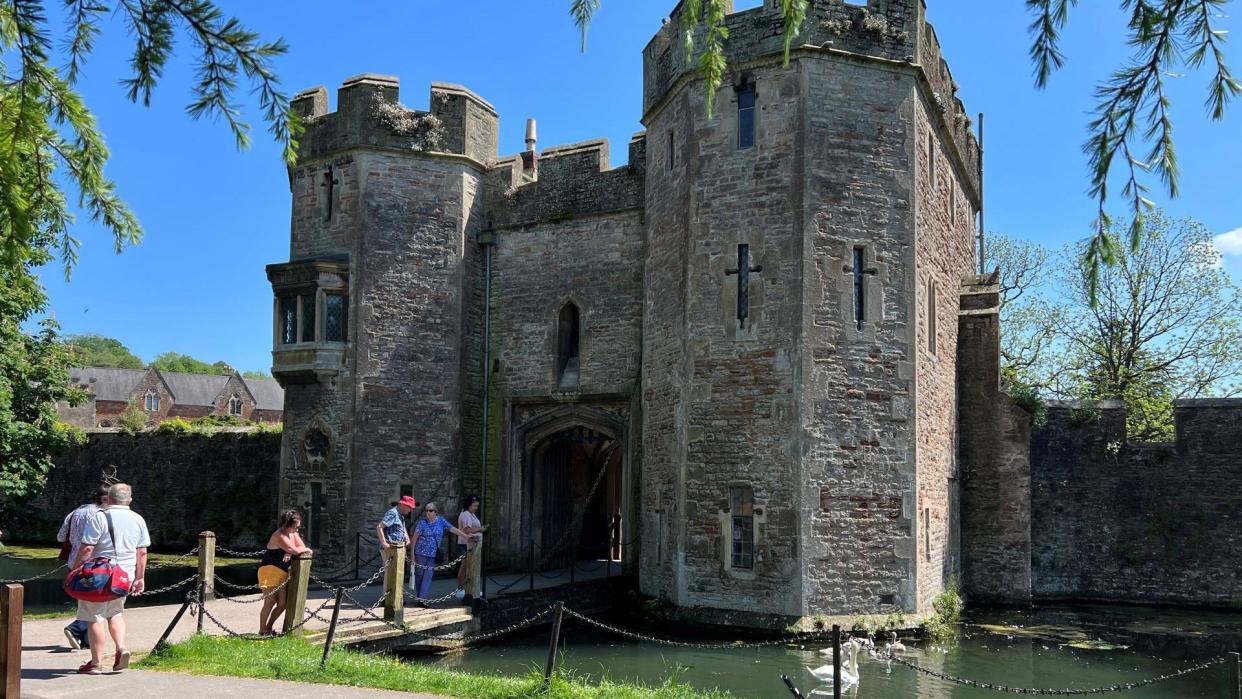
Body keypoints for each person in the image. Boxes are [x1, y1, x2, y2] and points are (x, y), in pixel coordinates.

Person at [72, 483, 149, 675]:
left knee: (94, 617)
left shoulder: (100, 516)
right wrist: (140, 577)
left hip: (100, 576)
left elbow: (88, 548)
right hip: (124, 576)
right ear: (129, 500)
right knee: (115, 613)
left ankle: (96, 663)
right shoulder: (138, 519)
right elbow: (141, 552)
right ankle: (121, 648)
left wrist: (75, 571)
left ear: (110, 498)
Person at [57, 484, 110, 650]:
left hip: (73, 563)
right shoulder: (101, 515)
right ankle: (77, 628)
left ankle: (86, 639)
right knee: (97, 602)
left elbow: (60, 537)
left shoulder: (74, 513)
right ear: (105, 499)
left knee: (87, 602)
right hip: (94, 564)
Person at [257, 509, 311, 635]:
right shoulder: (279, 535)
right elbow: (298, 550)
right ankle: (262, 630)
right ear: (287, 525)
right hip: (269, 571)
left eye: (298, 527)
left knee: (283, 604)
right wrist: (292, 550)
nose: (297, 530)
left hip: (282, 573)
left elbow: (302, 549)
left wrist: (290, 550)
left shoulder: (293, 534)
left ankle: (268, 628)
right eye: (295, 527)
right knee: (269, 602)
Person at [410, 502, 474, 606]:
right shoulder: (422, 523)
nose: (428, 513)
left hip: (432, 554)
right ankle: (419, 597)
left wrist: (465, 536)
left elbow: (452, 529)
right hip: (420, 553)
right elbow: (414, 539)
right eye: (426, 510)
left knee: (428, 576)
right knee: (419, 576)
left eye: (430, 510)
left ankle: (422, 599)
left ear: (436, 512)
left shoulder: (440, 520)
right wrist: (412, 555)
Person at [377, 495, 417, 592]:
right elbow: (379, 527)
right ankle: (387, 600)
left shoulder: (400, 515)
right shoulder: (393, 513)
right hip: (390, 548)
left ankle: (395, 598)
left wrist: (407, 538)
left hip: (397, 549)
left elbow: (402, 528)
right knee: (390, 573)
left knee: (396, 573)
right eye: (410, 507)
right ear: (403, 505)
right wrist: (384, 543)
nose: (411, 510)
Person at [455, 495, 487, 603]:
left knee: (471, 566)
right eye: (474, 506)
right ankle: (459, 589)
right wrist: (480, 529)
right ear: (469, 505)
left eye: (477, 506)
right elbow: (467, 530)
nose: (476, 508)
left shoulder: (471, 514)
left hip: (473, 544)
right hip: (466, 544)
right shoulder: (465, 515)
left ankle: (472, 589)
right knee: (465, 567)